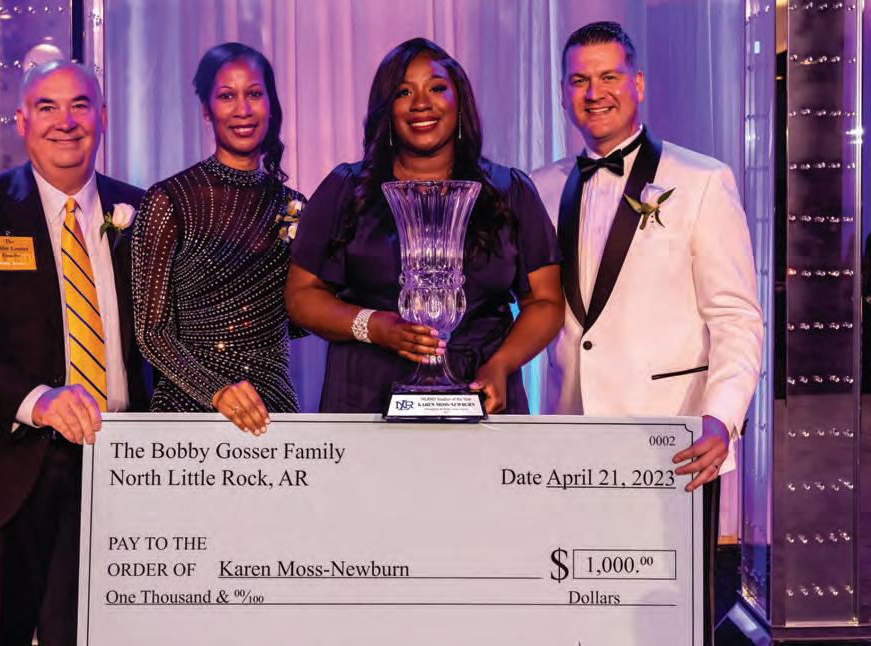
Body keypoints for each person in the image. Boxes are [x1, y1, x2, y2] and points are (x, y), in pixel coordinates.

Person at [0, 60, 149, 645]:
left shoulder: (142, 212)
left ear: (103, 117)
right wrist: (38, 401)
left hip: (114, 466)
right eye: (47, 107)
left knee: (90, 636)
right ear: (21, 121)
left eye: (80, 105)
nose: (66, 121)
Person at [531, 22, 763, 643]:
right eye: (579, 80)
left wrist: (722, 417)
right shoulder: (541, 186)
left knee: (667, 615)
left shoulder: (702, 180)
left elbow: (736, 315)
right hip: (572, 432)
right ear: (562, 93)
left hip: (673, 434)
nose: (594, 92)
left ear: (638, 84)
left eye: (609, 76)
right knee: (582, 602)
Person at [286, 37, 564, 414]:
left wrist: (501, 364)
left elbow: (546, 301)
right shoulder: (346, 190)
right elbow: (301, 295)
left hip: (480, 394)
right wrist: (373, 325)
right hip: (367, 395)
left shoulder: (509, 191)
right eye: (403, 92)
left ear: (459, 100)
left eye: (436, 88)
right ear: (387, 108)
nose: (421, 103)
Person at [132, 43, 304, 435]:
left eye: (254, 94)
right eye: (227, 96)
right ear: (207, 110)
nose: (242, 109)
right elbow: (150, 333)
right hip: (187, 412)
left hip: (273, 410)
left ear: (271, 105)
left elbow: (299, 318)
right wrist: (217, 391)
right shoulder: (168, 199)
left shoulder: (293, 207)